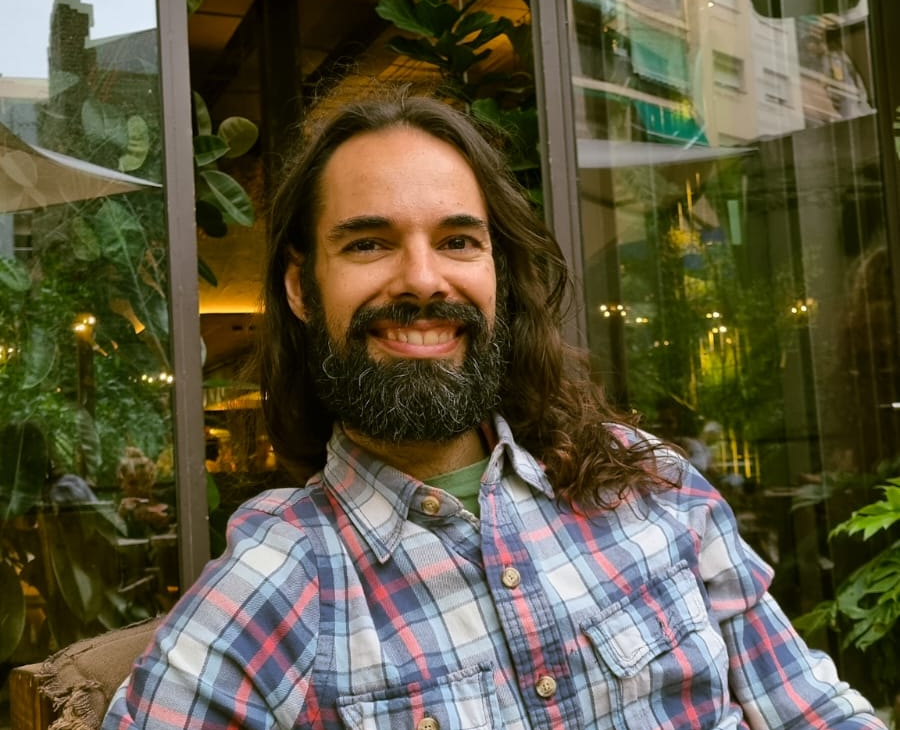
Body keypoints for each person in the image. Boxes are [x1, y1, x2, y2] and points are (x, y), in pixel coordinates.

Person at [102, 91, 886, 730]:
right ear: (302, 289)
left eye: (458, 241)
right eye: (368, 244)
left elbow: (811, 710)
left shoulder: (649, 484)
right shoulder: (271, 590)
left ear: (497, 276)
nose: (423, 279)